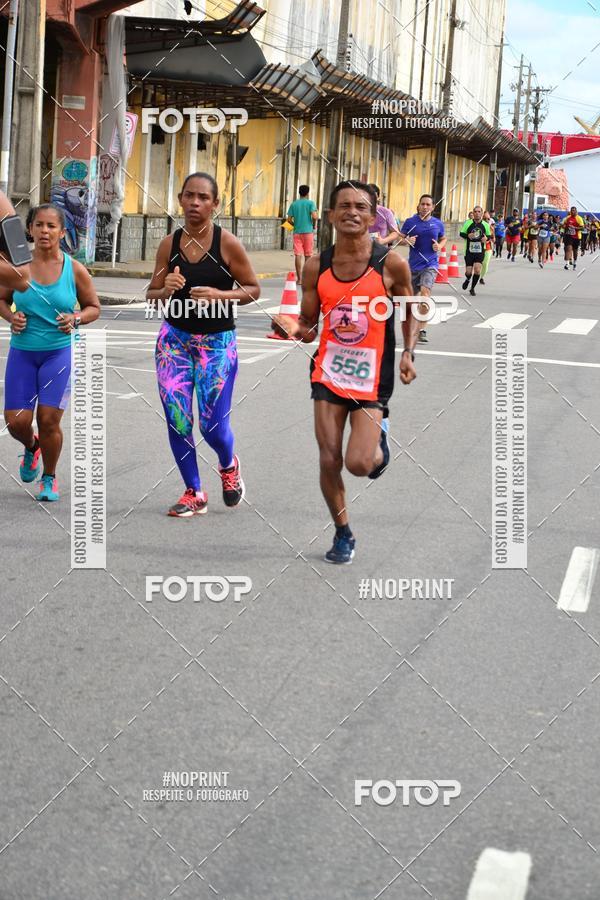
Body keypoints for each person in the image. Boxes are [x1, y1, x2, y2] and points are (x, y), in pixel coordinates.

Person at [273, 180, 416, 564]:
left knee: (358, 464)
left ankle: (378, 441)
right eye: (344, 206)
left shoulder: (391, 264)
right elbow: (309, 323)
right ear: (331, 215)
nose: (353, 212)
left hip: (372, 377)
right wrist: (296, 329)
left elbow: (411, 310)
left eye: (361, 206)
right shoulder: (318, 265)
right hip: (328, 372)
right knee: (328, 458)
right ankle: (342, 532)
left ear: (373, 216)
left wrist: (409, 354)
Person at [146, 172, 260, 517]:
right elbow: (150, 293)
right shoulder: (169, 244)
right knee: (178, 420)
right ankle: (194, 491)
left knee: (212, 425)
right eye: (189, 196)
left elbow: (253, 289)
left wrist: (220, 295)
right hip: (174, 343)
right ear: (180, 199)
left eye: (203, 197)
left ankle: (228, 464)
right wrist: (164, 288)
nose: (195, 203)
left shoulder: (226, 243)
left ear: (215, 204)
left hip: (217, 344)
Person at [0, 203, 100, 501]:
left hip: (58, 354)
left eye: (51, 226)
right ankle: (32, 447)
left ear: (61, 231)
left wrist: (76, 318)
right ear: (29, 230)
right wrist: (10, 316)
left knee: (48, 419)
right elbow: (1, 300)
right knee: (16, 421)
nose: (44, 231)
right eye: (39, 225)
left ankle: (49, 476)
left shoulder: (74, 269)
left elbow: (94, 308)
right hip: (23, 352)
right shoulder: (18, 266)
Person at [398, 193, 446, 344]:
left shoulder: (438, 223)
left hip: (430, 265)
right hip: (412, 267)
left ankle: (422, 330)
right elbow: (400, 238)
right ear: (418, 206)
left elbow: (443, 238)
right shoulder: (410, 222)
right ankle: (410, 328)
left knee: (425, 296)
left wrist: (439, 246)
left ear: (432, 207)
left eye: (428, 205)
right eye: (422, 204)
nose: (425, 207)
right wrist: (407, 241)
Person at [287, 184, 318, 281]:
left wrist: (294, 226)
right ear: (308, 193)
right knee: (308, 255)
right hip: (308, 232)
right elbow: (314, 217)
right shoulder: (310, 203)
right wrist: (314, 224)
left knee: (298, 254)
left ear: (299, 192)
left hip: (297, 232)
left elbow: (289, 220)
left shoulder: (294, 204)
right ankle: (306, 278)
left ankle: (299, 279)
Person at [459, 206, 491, 296]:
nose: (477, 213)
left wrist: (486, 238)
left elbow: (489, 236)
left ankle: (472, 288)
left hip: (480, 251)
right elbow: (461, 233)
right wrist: (468, 236)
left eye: (479, 211)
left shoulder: (485, 225)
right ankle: (468, 279)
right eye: (475, 211)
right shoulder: (468, 223)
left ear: (482, 213)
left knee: (477, 270)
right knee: (468, 272)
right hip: (469, 251)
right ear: (473, 213)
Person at [562, 206, 584, 270]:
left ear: (576, 211)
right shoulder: (568, 218)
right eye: (571, 210)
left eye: (574, 210)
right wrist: (564, 226)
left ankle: (575, 263)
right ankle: (567, 264)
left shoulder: (579, 218)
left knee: (575, 251)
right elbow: (564, 224)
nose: (572, 211)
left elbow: (582, 227)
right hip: (569, 236)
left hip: (577, 236)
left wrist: (574, 228)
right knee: (568, 249)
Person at [479, 211, 495, 284]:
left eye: (488, 219)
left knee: (485, 263)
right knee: (478, 264)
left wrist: (489, 240)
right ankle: (476, 275)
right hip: (478, 248)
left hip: (488, 248)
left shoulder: (491, 228)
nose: (486, 220)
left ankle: (481, 277)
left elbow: (493, 239)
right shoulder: (478, 226)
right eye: (484, 219)